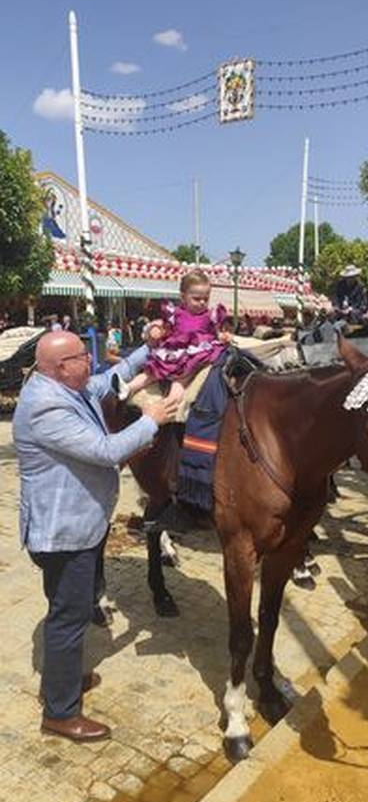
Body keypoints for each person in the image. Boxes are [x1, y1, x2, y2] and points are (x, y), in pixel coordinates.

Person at [13, 331, 177, 743]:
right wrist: (151, 420)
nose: (92, 361)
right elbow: (106, 451)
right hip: (63, 533)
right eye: (83, 357)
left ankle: (62, 681)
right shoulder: (45, 407)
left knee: (71, 608)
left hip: (80, 524)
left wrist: (151, 348)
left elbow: (111, 378)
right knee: (67, 619)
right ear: (59, 367)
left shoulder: (69, 385)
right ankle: (60, 713)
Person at [116, 270, 231, 403]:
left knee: (180, 382)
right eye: (196, 299)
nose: (202, 303)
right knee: (151, 373)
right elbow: (164, 327)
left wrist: (223, 336)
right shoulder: (175, 313)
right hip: (175, 353)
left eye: (206, 299)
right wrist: (156, 330)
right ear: (183, 297)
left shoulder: (209, 315)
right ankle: (128, 387)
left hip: (195, 354)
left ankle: (170, 404)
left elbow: (216, 332)